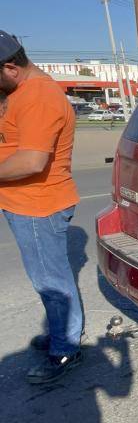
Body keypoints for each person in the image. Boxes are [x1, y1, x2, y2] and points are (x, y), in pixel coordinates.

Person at [0, 30, 82, 383]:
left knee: (51, 282)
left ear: (10, 68)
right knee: (49, 279)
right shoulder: (19, 91)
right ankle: (60, 334)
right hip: (24, 203)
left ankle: (65, 349)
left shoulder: (40, 96)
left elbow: (32, 161)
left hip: (37, 206)